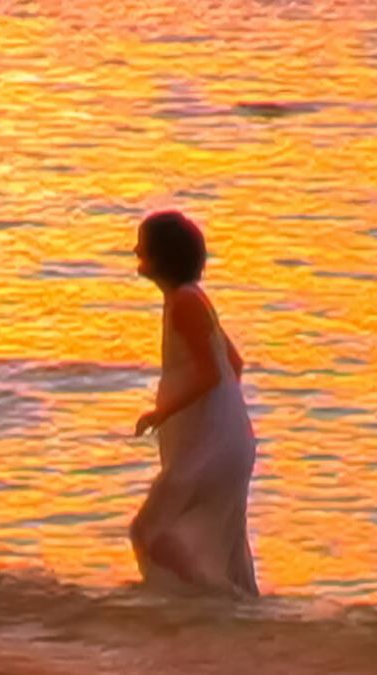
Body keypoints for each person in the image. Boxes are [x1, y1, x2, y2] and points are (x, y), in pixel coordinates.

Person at [131, 210, 258, 596]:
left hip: (215, 449)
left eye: (142, 246)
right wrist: (214, 419)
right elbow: (234, 364)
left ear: (161, 256)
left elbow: (211, 374)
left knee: (149, 531)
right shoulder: (190, 299)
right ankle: (237, 610)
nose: (135, 251)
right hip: (226, 443)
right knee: (223, 546)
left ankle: (206, 602)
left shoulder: (185, 303)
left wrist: (162, 413)